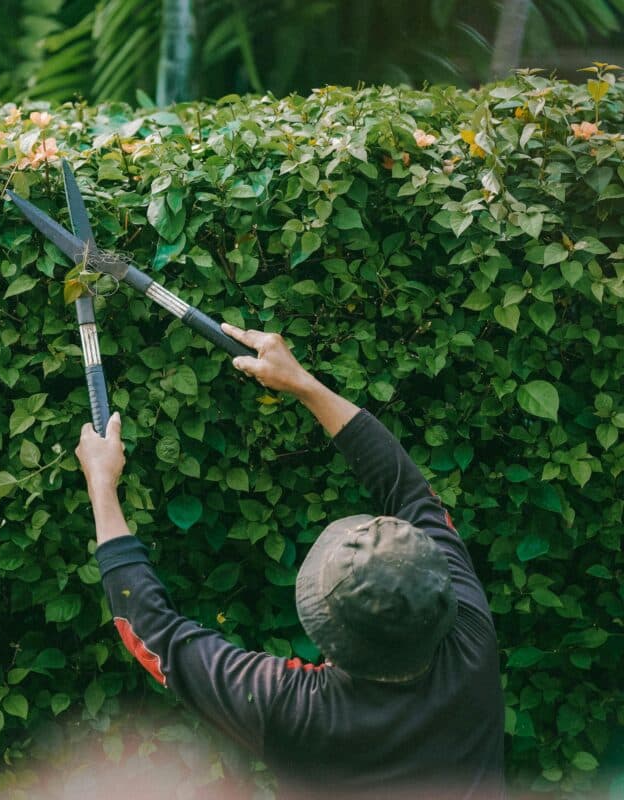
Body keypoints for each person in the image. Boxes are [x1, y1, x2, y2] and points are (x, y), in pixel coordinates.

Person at [75, 324, 505, 800]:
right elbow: (409, 492)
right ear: (437, 585)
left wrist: (101, 484)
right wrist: (303, 383)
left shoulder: (301, 713)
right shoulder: (471, 637)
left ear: (330, 635)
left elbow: (154, 634)